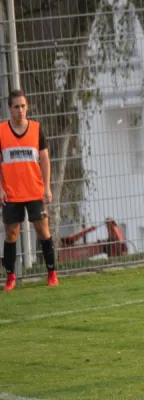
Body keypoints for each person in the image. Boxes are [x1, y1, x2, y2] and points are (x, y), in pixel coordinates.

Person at [0, 89, 59, 291]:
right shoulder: (1, 131)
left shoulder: (36, 129)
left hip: (35, 191)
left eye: (23, 106)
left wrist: (47, 188)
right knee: (11, 234)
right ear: (9, 109)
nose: (20, 110)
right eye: (16, 107)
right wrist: (0, 189)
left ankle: (51, 273)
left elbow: (44, 159)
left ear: (27, 107)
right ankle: (10, 277)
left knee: (43, 231)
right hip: (11, 193)